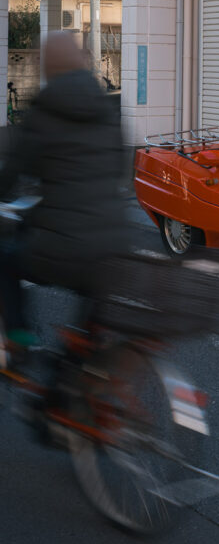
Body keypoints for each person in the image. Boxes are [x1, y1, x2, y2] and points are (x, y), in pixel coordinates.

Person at [0, 31, 130, 358]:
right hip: (116, 245)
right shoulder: (109, 110)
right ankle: (80, 372)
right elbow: (118, 167)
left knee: (4, 261)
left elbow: (12, 175)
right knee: (85, 335)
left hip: (62, 244)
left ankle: (18, 338)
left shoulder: (43, 111)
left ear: (48, 67)